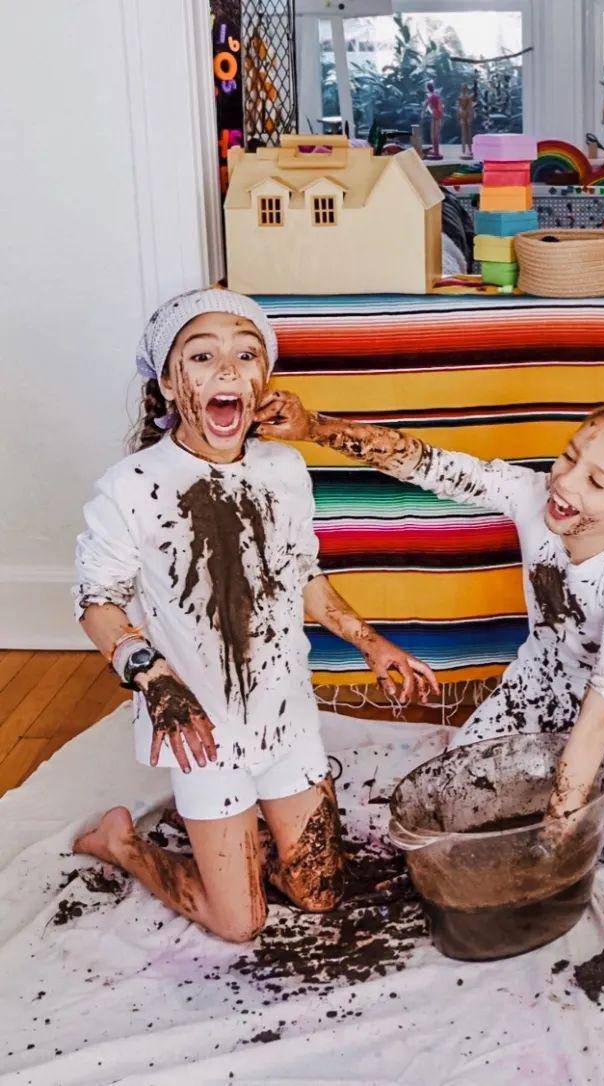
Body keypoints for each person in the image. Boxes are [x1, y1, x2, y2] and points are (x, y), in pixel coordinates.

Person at [72, 289, 438, 942]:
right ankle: (122, 844)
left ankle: (239, 835)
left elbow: (302, 575)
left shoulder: (284, 468)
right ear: (168, 383)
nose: (226, 369)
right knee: (239, 922)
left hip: (284, 717)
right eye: (202, 356)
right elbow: (97, 603)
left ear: (262, 381)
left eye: (245, 355)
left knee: (321, 894)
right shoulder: (131, 486)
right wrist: (152, 676)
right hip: (203, 734)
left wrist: (371, 642)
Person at [257, 388, 604, 877]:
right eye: (569, 457)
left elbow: (600, 716)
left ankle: (576, 787)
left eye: (595, 481)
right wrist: (313, 427)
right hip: (537, 688)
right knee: (451, 801)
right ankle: (550, 775)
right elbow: (428, 464)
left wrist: (557, 829)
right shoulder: (533, 493)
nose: (565, 482)